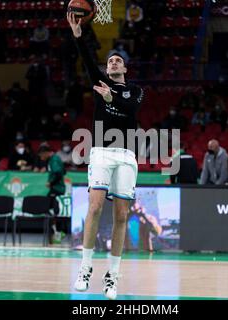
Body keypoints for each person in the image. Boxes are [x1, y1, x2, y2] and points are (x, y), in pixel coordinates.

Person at [68, 12, 144, 300]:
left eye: (117, 60)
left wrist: (112, 99)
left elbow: (132, 112)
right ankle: (85, 268)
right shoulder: (100, 82)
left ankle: (112, 276)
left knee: (122, 215)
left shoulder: (135, 91)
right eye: (110, 60)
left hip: (126, 155)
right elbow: (88, 58)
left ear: (124, 68)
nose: (113, 62)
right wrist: (78, 34)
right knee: (95, 207)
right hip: (100, 152)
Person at [37, 145, 68, 239]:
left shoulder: (54, 159)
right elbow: (64, 171)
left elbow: (59, 173)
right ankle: (57, 231)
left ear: (46, 153)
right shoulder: (54, 159)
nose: (41, 158)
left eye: (41, 156)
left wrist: (51, 182)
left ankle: (59, 232)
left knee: (51, 209)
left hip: (57, 189)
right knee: (51, 209)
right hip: (57, 189)